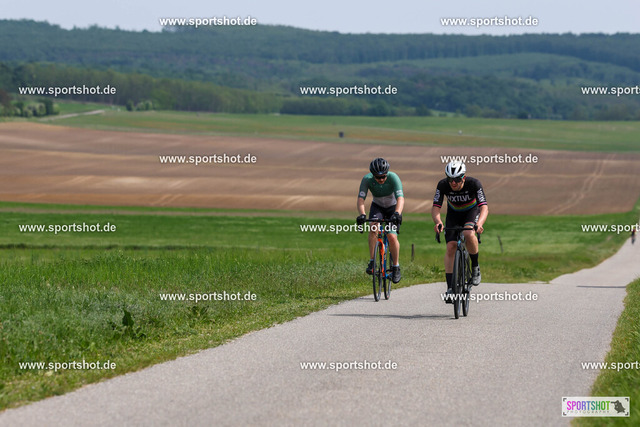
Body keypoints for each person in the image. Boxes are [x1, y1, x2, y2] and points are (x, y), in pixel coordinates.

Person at [431, 161, 488, 302]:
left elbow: (484, 207)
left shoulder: (474, 184)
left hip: (471, 212)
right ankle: (450, 288)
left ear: (463, 177)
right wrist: (438, 222)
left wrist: (479, 224)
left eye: (456, 179)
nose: (453, 183)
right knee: (451, 246)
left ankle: (475, 267)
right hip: (454, 215)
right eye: (450, 179)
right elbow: (436, 207)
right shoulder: (442, 185)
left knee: (468, 233)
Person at [356, 158, 404, 284]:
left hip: (393, 208)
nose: (381, 179)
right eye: (378, 177)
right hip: (377, 207)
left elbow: (400, 198)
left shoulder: (393, 177)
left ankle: (396, 266)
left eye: (383, 176)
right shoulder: (367, 179)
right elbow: (361, 199)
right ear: (373, 175)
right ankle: (372, 261)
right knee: (373, 228)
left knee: (392, 236)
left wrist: (397, 213)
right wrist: (362, 214)